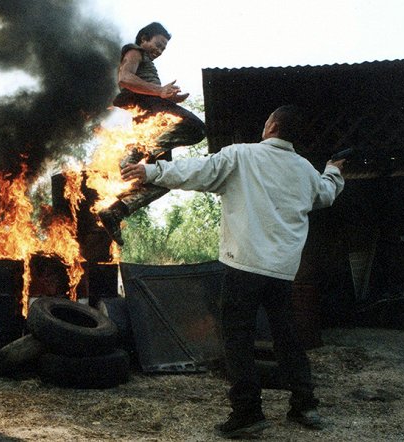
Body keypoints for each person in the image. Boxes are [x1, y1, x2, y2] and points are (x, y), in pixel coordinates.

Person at [120, 105, 346, 439]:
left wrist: (150, 172)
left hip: (244, 266)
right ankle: (305, 405)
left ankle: (247, 413)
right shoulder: (304, 170)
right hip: (283, 271)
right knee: (287, 337)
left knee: (237, 340)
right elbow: (325, 194)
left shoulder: (241, 156)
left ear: (271, 126)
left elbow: (196, 170)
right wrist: (332, 171)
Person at [97, 22, 206, 246]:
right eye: (157, 44)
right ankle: (132, 156)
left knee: (162, 178)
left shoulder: (146, 59)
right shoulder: (135, 51)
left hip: (153, 112)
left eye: (163, 49)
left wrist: (168, 97)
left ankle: (115, 212)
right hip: (149, 108)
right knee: (196, 128)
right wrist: (159, 91)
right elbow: (125, 79)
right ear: (144, 39)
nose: (159, 51)